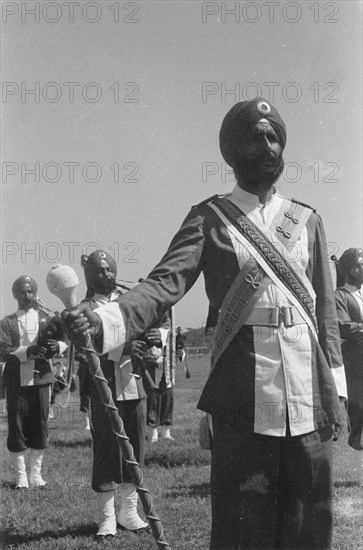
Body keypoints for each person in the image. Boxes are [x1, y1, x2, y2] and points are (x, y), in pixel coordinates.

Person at [65, 98, 347, 549]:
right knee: (242, 524)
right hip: (240, 398)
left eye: (274, 136)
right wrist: (103, 320)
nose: (267, 145)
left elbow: (325, 314)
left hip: (309, 397)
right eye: (255, 137)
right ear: (233, 152)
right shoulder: (209, 217)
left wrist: (338, 391)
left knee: (309, 521)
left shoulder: (307, 219)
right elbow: (163, 284)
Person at [77, 250, 152, 539]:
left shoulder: (128, 302)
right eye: (99, 271)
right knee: (107, 450)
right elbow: (86, 348)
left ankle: (129, 511)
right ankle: (107, 517)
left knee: (135, 448)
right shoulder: (84, 310)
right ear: (89, 277)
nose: (106, 275)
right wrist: (124, 349)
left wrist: (155, 342)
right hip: (103, 389)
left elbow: (152, 327)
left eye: (110, 270)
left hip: (134, 386)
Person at [0, 275, 67, 488]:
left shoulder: (46, 319)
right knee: (16, 425)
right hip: (15, 381)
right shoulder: (6, 322)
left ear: (35, 294)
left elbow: (64, 337)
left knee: (40, 424)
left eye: (30, 291)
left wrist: (60, 346)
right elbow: (2, 350)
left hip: (41, 379)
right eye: (22, 291)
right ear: (15, 294)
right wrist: (27, 351)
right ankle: (21, 476)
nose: (26, 295)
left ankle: (36, 475)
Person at [335, 248, 363, 485]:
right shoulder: (340, 296)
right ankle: (360, 473)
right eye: (358, 264)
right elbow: (342, 326)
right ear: (348, 269)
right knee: (359, 414)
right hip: (356, 364)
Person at [145, 312, 175, 443]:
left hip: (165, 367)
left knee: (167, 397)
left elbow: (176, 349)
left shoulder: (170, 332)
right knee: (152, 399)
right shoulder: (145, 329)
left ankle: (166, 431)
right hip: (150, 367)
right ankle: (153, 432)